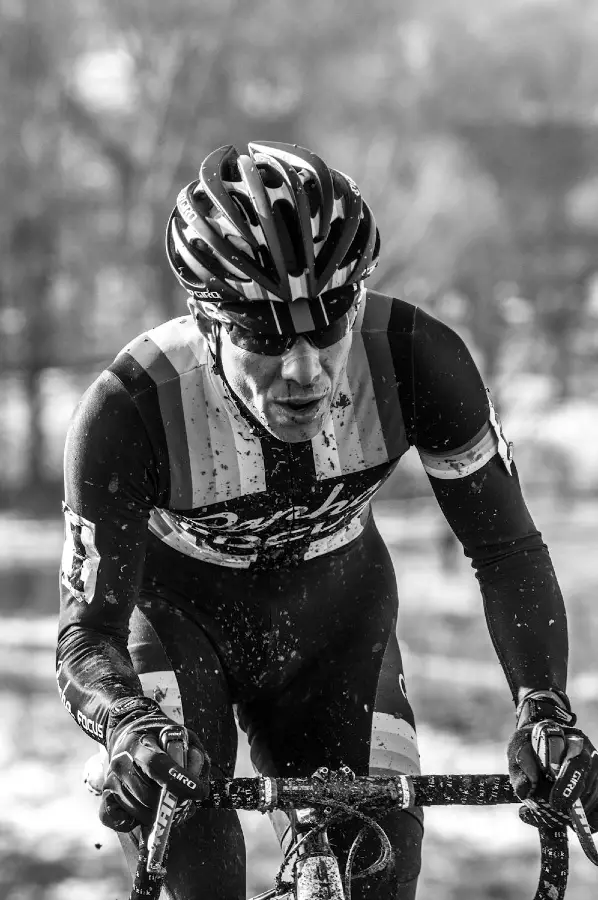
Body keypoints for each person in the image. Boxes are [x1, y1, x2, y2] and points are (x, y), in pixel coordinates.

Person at [56, 141, 598, 900]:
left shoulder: (417, 359)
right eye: (266, 338)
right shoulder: (130, 409)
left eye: (330, 322)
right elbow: (86, 634)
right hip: (180, 630)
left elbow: (506, 550)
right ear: (205, 322)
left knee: (373, 874)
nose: (305, 369)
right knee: (193, 867)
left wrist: (544, 709)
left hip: (338, 631)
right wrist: (126, 726)